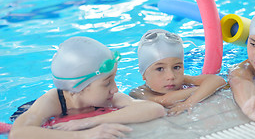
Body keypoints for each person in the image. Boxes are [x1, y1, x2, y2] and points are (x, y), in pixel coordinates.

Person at [9, 36, 166, 139]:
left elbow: (154, 109)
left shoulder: (107, 97)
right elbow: (18, 133)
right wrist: (84, 135)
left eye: (114, 80)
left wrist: (88, 122)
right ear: (79, 88)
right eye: (107, 82)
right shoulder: (52, 101)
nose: (115, 89)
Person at [129, 29, 226, 116]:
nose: (170, 76)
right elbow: (165, 100)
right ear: (144, 74)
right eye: (160, 69)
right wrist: (202, 89)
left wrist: (189, 103)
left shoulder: (183, 79)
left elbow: (218, 80)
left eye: (176, 67)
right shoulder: (138, 93)